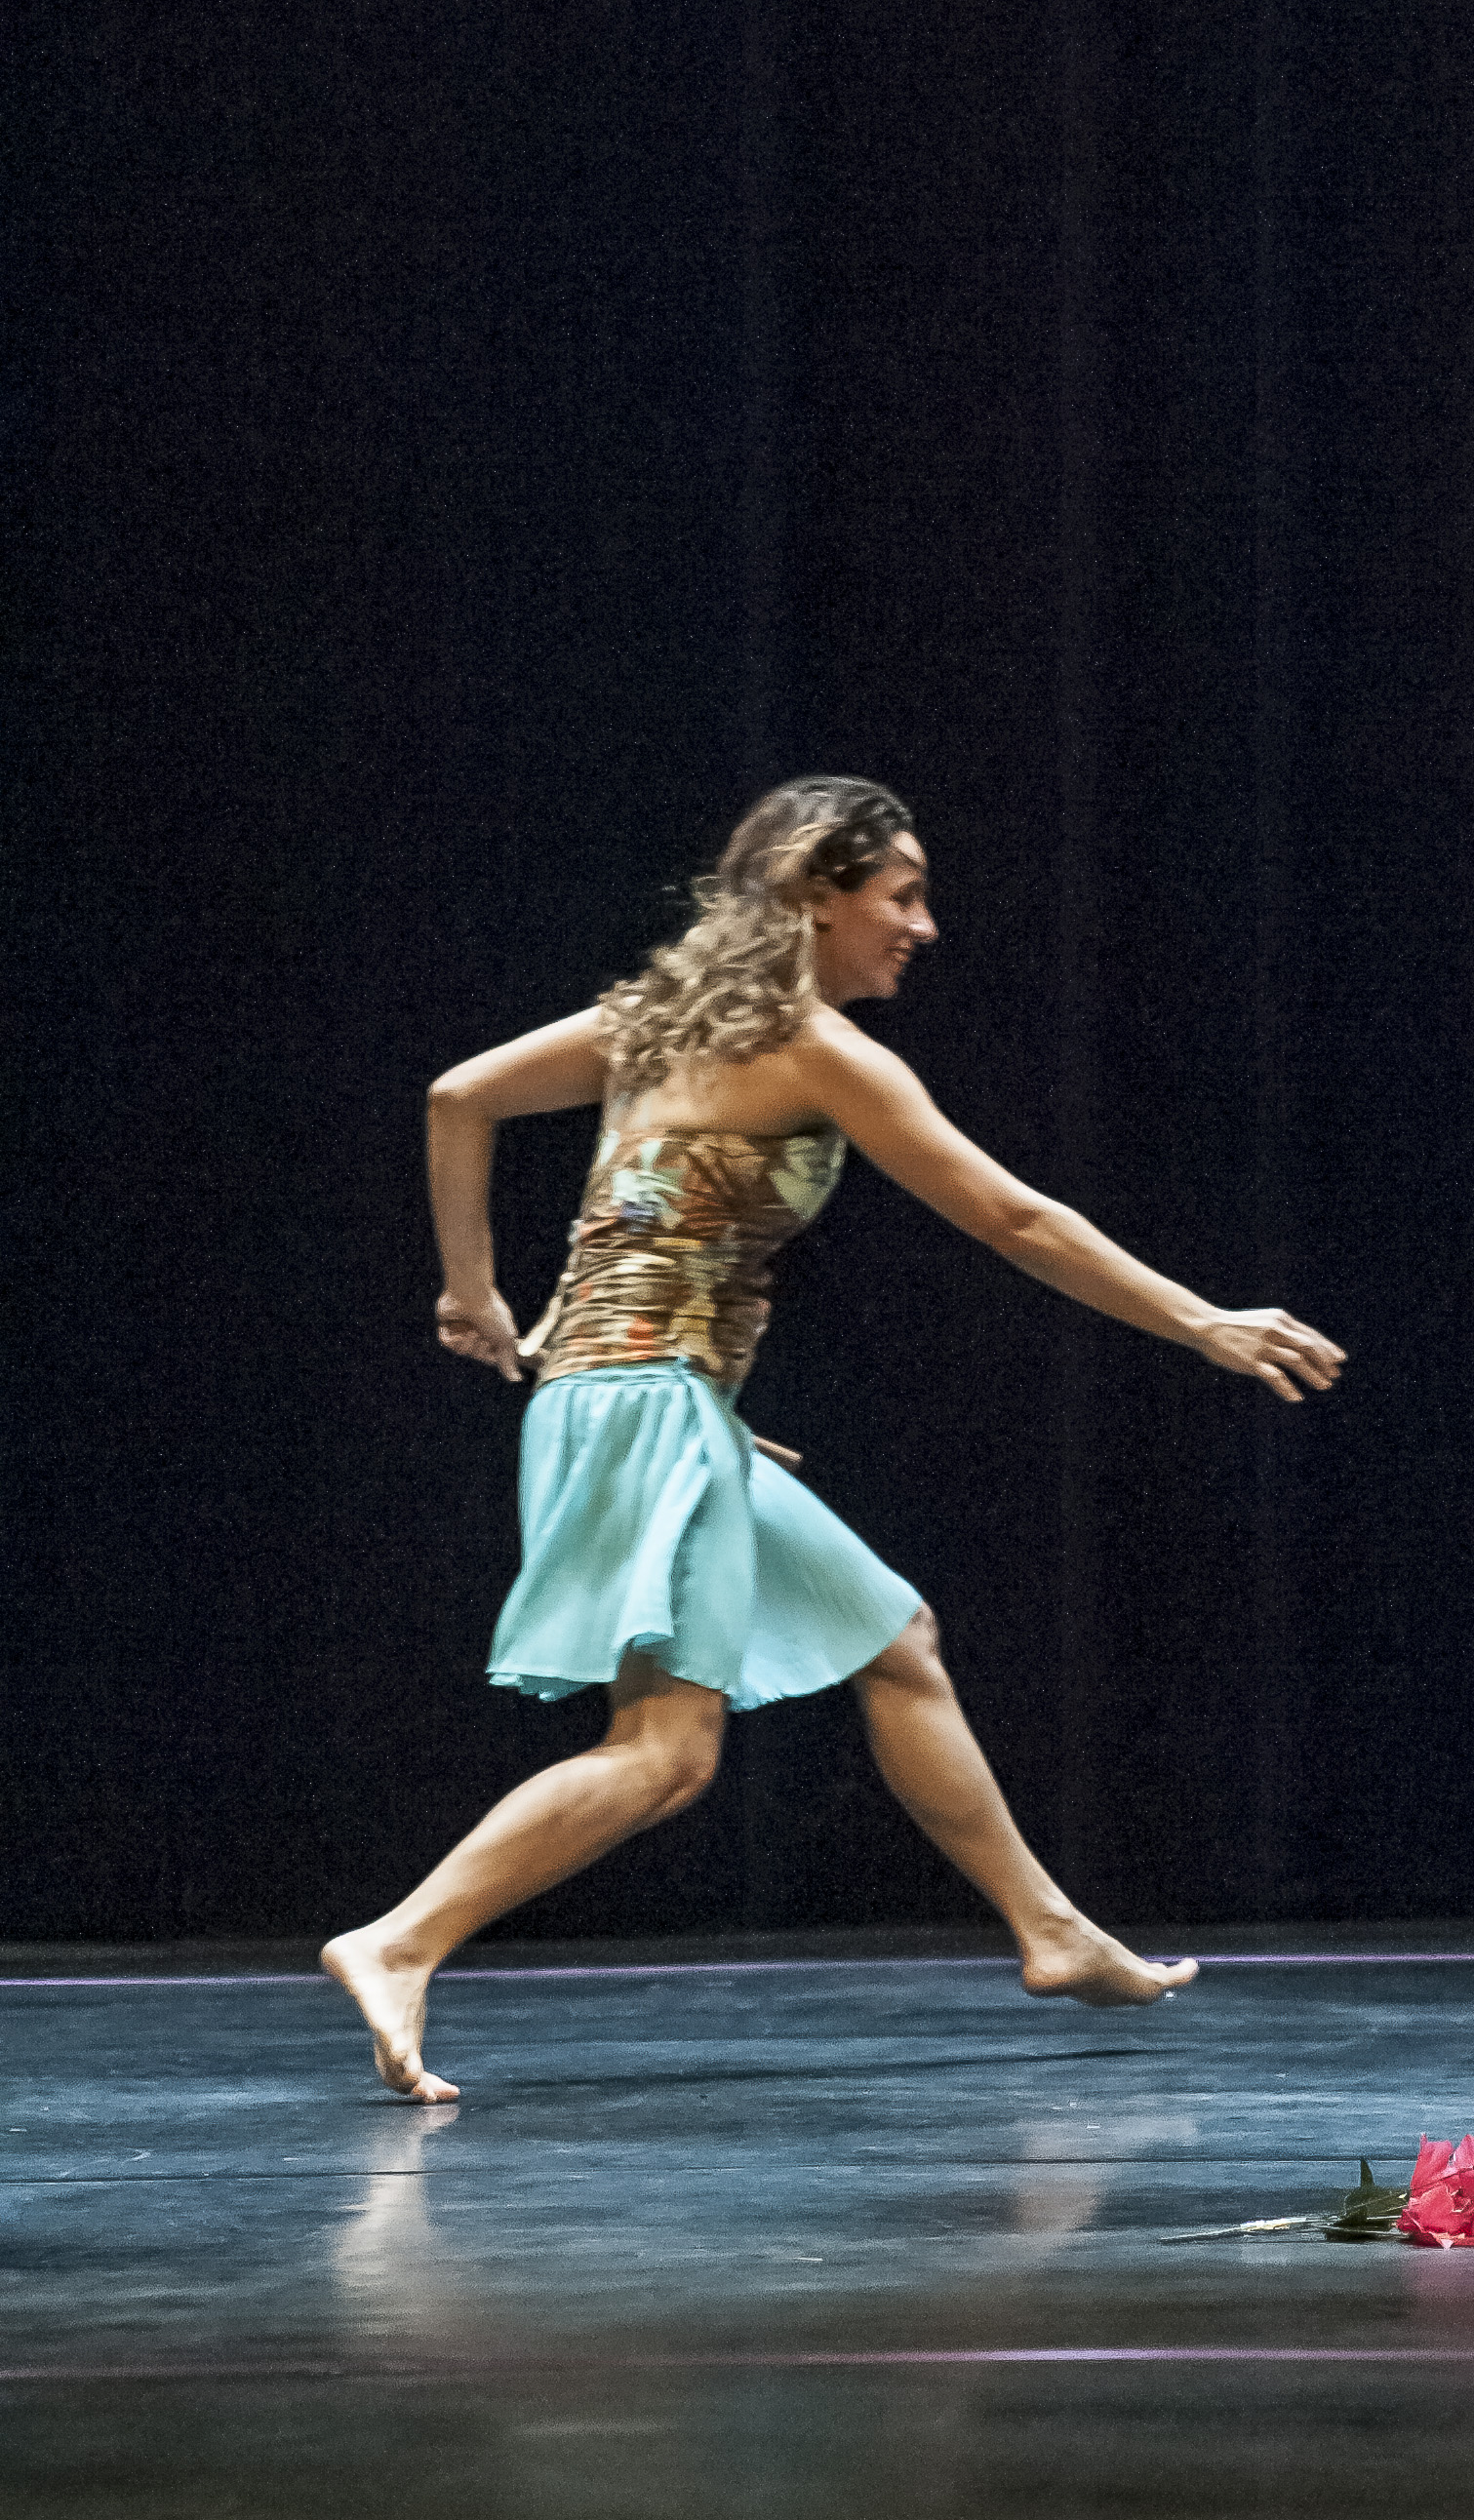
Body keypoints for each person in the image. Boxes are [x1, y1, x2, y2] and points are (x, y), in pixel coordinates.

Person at [324, 776, 1344, 2103]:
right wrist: (1202, 1321)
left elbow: (459, 1098)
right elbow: (1012, 1217)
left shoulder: (657, 1022)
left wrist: (477, 1294)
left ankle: (1048, 1930)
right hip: (645, 1406)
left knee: (893, 1637)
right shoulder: (816, 1051)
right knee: (667, 1753)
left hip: (634, 1400)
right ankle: (401, 1940)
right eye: (901, 895)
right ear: (816, 896)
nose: (924, 925)